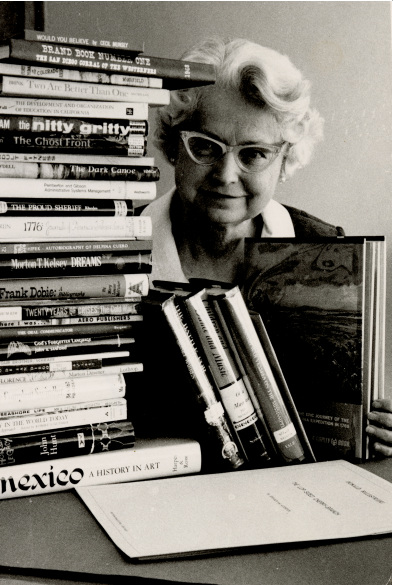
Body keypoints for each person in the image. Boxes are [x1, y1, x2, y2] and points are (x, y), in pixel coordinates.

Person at [139, 37, 391, 457]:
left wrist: (377, 429)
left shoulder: (327, 251)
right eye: (204, 146)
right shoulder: (108, 251)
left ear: (285, 159)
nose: (225, 174)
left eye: (254, 154)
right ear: (173, 144)